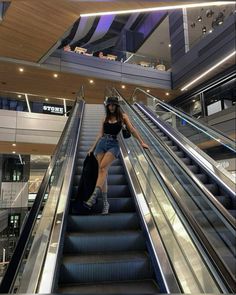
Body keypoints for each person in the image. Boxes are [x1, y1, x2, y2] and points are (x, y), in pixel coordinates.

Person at [84, 96, 149, 215]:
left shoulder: (123, 117)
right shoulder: (105, 118)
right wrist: (92, 148)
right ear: (107, 106)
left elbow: (132, 130)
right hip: (102, 144)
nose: (111, 107)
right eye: (109, 105)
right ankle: (105, 203)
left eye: (113, 105)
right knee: (103, 173)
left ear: (117, 106)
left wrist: (142, 142)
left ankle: (93, 197)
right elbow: (100, 134)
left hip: (114, 145)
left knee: (103, 168)